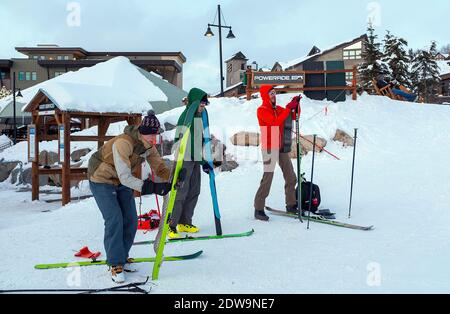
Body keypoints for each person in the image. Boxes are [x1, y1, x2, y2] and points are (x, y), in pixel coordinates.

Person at [88, 110, 172, 283]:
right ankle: (114, 263)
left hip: (121, 181)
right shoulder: (123, 143)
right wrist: (152, 187)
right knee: (114, 219)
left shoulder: (149, 146)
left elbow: (160, 168)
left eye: (156, 136)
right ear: (142, 132)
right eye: (151, 135)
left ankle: (122, 257)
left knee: (131, 220)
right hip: (101, 178)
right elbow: (126, 177)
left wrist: (173, 178)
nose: (154, 139)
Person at [168, 88, 212, 239]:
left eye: (205, 104)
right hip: (184, 159)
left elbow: (199, 141)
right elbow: (188, 143)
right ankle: (171, 225)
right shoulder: (186, 117)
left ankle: (185, 222)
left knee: (194, 190)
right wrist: (203, 161)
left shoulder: (199, 117)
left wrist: (205, 158)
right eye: (201, 103)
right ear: (194, 102)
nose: (203, 106)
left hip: (194, 158)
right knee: (180, 192)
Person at [254, 85, 301, 221]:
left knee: (291, 176)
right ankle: (258, 208)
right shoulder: (262, 110)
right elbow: (274, 123)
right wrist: (287, 109)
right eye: (271, 93)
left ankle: (291, 204)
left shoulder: (277, 109)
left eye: (275, 93)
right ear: (265, 96)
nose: (274, 95)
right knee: (267, 179)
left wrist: (296, 105)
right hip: (269, 147)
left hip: (281, 146)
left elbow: (293, 115)